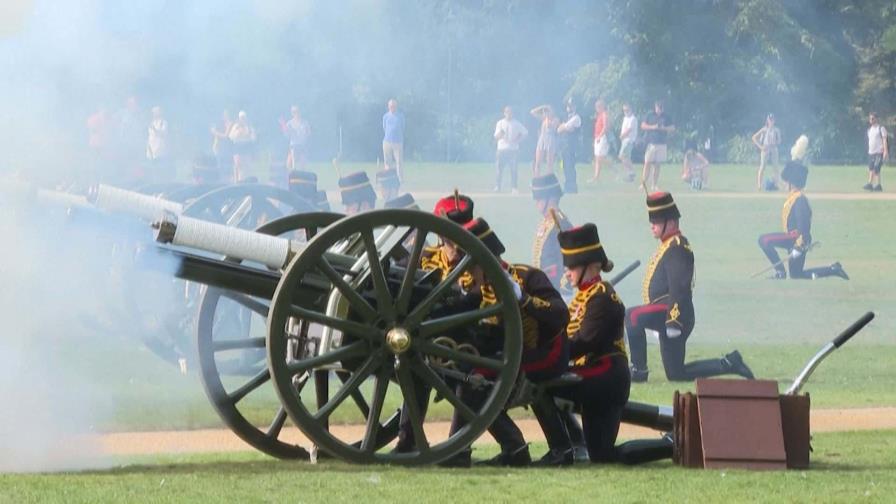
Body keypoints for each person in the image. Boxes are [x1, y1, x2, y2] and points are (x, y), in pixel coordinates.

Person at [445, 218, 572, 468]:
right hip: (514, 354)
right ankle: (508, 447)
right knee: (464, 373)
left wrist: (523, 299)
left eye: (471, 265)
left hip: (546, 352)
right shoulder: (480, 288)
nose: (469, 272)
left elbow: (560, 314)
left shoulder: (527, 277)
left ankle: (467, 450)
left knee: (476, 378)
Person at [626, 192, 755, 382]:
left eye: (657, 220)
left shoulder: (678, 246)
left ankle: (639, 371)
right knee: (676, 374)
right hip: (667, 312)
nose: (652, 225)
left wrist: (673, 320)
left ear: (670, 222)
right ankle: (729, 363)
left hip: (673, 311)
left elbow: (680, 286)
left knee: (632, 315)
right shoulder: (668, 245)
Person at [539, 223, 629, 463]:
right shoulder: (585, 296)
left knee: (543, 384)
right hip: (593, 372)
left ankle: (562, 449)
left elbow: (584, 341)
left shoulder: (602, 296)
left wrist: (547, 354)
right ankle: (574, 442)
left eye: (571, 267)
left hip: (606, 374)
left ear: (591, 265)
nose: (567, 273)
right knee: (603, 455)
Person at [757, 161, 849, 280]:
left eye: (786, 182)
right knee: (796, 275)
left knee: (764, 240)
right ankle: (832, 270)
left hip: (796, 238)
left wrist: (799, 246)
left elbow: (803, 226)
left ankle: (780, 272)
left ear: (791, 183)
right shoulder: (794, 197)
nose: (784, 185)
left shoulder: (800, 199)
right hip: (794, 239)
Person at [531, 173, 572, 293]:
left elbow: (568, 260)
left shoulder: (561, 225)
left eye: (539, 199)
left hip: (555, 289)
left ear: (551, 198)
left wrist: (564, 288)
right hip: (543, 286)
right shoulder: (546, 222)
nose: (536, 204)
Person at [640, 101, 675, 192]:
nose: (658, 110)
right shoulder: (650, 115)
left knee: (657, 165)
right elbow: (643, 125)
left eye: (660, 108)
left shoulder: (666, 117)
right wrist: (653, 127)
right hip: (651, 143)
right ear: (655, 107)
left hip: (662, 143)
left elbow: (672, 128)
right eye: (657, 108)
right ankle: (643, 184)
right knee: (647, 163)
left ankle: (654, 185)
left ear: (663, 108)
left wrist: (663, 128)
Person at [493, 106, 528, 193]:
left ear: (512, 113)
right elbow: (496, 136)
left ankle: (514, 188)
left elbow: (525, 133)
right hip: (501, 149)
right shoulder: (500, 123)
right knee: (499, 169)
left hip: (513, 150)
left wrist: (518, 139)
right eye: (507, 112)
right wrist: (501, 134)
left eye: (510, 112)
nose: (508, 114)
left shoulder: (516, 123)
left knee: (514, 169)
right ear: (504, 113)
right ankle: (498, 186)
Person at [557, 99, 582, 193]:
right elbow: (559, 129)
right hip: (565, 146)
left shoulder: (576, 118)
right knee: (565, 166)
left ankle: (572, 187)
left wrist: (564, 126)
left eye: (571, 106)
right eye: (568, 106)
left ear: (575, 107)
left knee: (570, 166)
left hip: (571, 146)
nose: (569, 108)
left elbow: (564, 127)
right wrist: (564, 127)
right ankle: (568, 186)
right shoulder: (567, 117)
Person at [751, 113, 781, 191]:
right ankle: (759, 185)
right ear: (767, 120)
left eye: (772, 120)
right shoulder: (764, 129)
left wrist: (775, 142)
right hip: (765, 148)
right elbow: (754, 137)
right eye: (770, 120)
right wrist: (760, 147)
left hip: (773, 148)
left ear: (774, 120)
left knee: (776, 167)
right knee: (762, 166)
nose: (771, 121)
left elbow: (779, 140)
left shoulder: (776, 130)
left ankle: (776, 184)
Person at [530, 104, 559, 176]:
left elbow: (549, 126)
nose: (545, 113)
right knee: (538, 162)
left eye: (547, 111)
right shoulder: (543, 119)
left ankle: (549, 177)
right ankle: (537, 177)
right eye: (545, 111)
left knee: (549, 162)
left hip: (550, 139)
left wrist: (547, 117)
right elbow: (532, 112)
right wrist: (542, 107)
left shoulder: (555, 119)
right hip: (542, 139)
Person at [146, 106, 172, 183]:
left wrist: (154, 129)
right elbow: (149, 136)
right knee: (151, 169)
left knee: (160, 170)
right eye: (153, 112)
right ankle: (153, 183)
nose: (154, 114)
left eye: (156, 112)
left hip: (160, 150)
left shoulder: (163, 123)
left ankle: (161, 183)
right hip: (151, 150)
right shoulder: (151, 123)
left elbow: (163, 134)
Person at [280, 105, 311, 171]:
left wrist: (305, 133)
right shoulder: (289, 123)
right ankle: (292, 176)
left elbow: (308, 133)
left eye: (297, 111)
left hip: (302, 145)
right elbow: (287, 136)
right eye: (293, 112)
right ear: (292, 113)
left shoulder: (305, 123)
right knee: (288, 164)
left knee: (303, 164)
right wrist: (286, 131)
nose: (296, 113)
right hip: (293, 145)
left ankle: (302, 177)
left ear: (300, 112)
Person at [229, 110, 257, 182]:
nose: (242, 119)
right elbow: (231, 137)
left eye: (243, 118)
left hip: (246, 148)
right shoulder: (235, 127)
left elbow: (254, 138)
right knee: (237, 165)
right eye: (241, 118)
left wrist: (248, 134)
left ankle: (244, 181)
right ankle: (237, 181)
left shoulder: (249, 127)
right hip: (237, 147)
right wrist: (238, 132)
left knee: (246, 166)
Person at [864, 112, 888, 192]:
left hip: (879, 152)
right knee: (871, 168)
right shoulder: (869, 130)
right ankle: (874, 184)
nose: (871, 120)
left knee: (876, 167)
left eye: (873, 118)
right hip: (871, 152)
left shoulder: (881, 128)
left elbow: (884, 140)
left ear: (876, 119)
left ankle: (874, 184)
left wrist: (885, 151)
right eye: (870, 118)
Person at [382, 98, 405, 181]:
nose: (392, 107)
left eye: (394, 106)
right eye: (391, 106)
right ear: (388, 106)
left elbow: (403, 127)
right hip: (387, 141)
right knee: (387, 162)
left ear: (396, 106)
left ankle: (400, 179)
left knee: (399, 162)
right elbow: (384, 128)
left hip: (398, 142)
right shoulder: (385, 116)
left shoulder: (400, 116)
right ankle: (388, 179)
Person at [588, 99, 610, 182]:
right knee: (597, 158)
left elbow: (605, 127)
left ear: (602, 106)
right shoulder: (599, 115)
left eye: (598, 107)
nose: (596, 108)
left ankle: (615, 170)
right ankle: (596, 177)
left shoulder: (604, 115)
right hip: (597, 137)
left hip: (602, 138)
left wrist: (599, 137)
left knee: (600, 158)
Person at [618, 103, 638, 183]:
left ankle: (631, 172)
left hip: (628, 140)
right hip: (624, 140)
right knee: (626, 158)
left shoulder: (633, 119)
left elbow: (629, 129)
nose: (625, 112)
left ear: (631, 109)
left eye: (627, 110)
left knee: (621, 156)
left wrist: (622, 135)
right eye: (624, 110)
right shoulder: (625, 118)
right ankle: (630, 175)